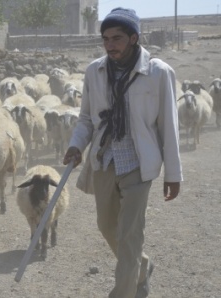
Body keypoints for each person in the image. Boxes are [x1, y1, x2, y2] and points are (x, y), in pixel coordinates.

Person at [62, 7, 183, 298]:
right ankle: (141, 266)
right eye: (105, 39)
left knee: (129, 235)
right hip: (104, 159)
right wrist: (76, 144)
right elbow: (87, 119)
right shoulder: (95, 70)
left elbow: (169, 125)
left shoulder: (158, 73)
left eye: (117, 38)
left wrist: (173, 174)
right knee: (106, 226)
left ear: (133, 38)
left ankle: (124, 292)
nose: (110, 45)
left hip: (139, 163)